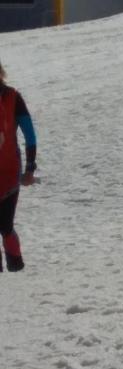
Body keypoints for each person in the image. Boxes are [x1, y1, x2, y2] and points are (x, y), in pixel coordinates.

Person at [0, 60, 37, 272]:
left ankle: (16, 269)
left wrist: (30, 168)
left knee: (5, 225)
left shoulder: (13, 97)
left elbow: (29, 134)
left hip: (9, 171)